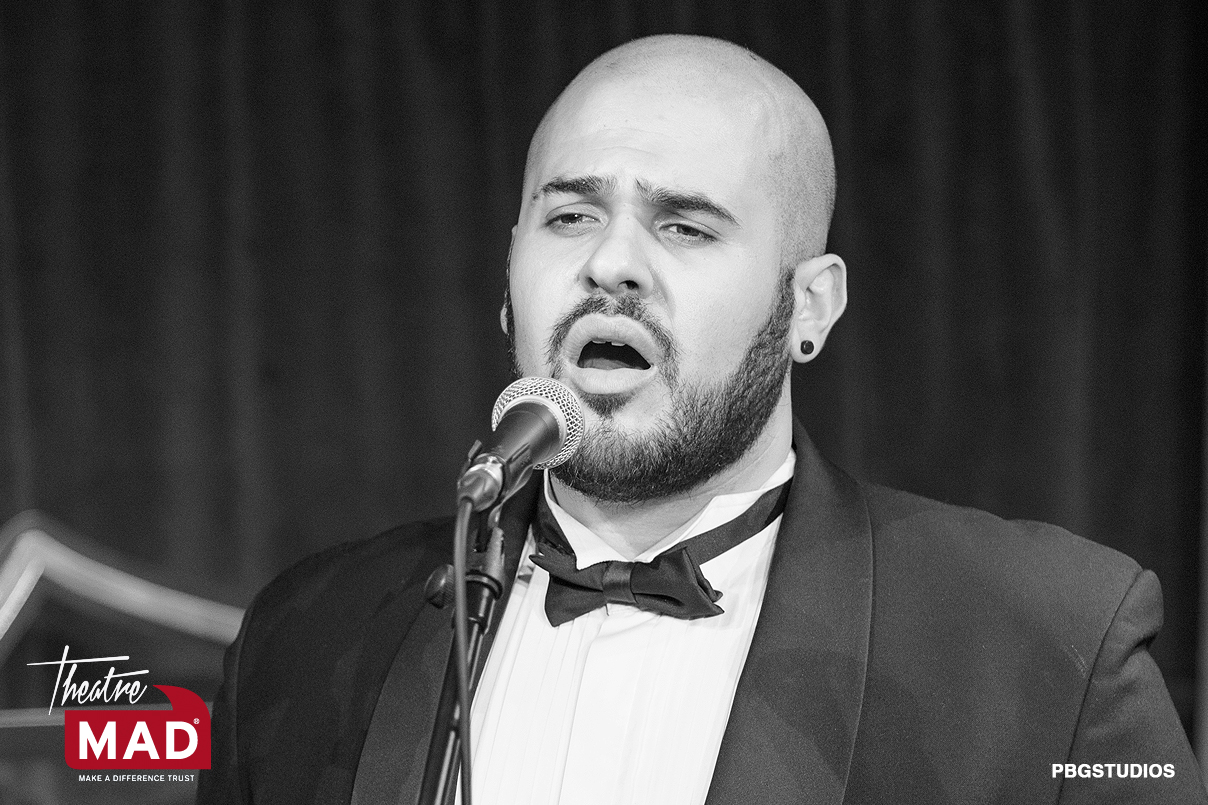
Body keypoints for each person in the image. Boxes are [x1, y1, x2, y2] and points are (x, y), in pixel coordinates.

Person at [198, 34, 1206, 805]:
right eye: (569, 216)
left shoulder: (1046, 646)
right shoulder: (307, 635)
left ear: (810, 305)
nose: (610, 263)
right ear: (508, 279)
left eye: (683, 224)